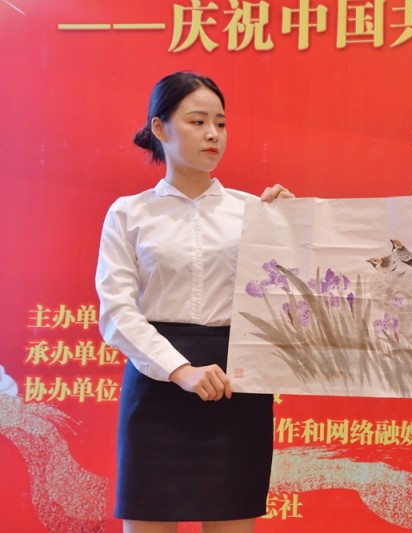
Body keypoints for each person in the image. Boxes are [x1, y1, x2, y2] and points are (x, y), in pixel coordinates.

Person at [95, 71, 293, 533]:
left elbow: (290, 297)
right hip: (157, 383)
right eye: (198, 121)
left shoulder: (254, 211)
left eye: (220, 123)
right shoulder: (129, 212)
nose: (213, 134)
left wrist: (292, 226)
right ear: (159, 128)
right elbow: (117, 310)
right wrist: (179, 370)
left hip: (234, 385)